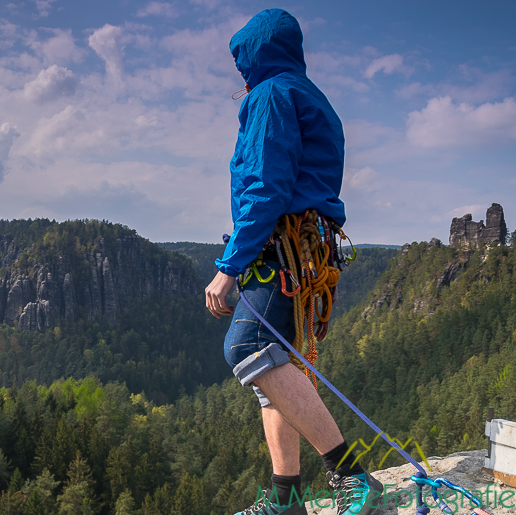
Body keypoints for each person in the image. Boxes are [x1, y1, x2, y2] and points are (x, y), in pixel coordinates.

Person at [204, 9, 383, 515]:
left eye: (243, 63)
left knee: (246, 349)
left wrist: (229, 267)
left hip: (281, 247)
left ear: (254, 56)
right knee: (273, 371)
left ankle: (353, 477)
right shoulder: (308, 94)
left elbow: (265, 187)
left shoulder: (271, 96)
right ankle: (287, 499)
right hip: (304, 248)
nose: (241, 75)